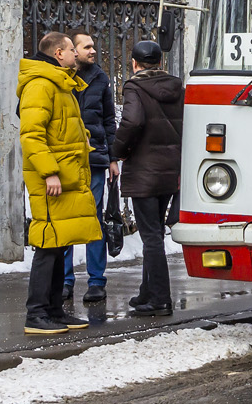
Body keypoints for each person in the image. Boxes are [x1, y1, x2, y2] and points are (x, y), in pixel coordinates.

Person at [18, 31, 101, 335]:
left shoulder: (60, 83)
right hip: (52, 178)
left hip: (66, 174)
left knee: (60, 242)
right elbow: (32, 135)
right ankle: (36, 314)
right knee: (48, 243)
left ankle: (54, 310)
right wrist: (49, 171)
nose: (75, 54)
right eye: (70, 49)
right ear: (58, 54)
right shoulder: (41, 85)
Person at [111, 40, 183, 318]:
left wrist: (118, 152)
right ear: (160, 62)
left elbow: (132, 122)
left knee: (151, 236)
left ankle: (161, 299)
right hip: (169, 171)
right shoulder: (177, 87)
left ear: (134, 63)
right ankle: (146, 292)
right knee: (154, 233)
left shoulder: (135, 87)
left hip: (144, 171)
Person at [62, 31, 119, 304]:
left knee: (93, 219)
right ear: (72, 51)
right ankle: (64, 280)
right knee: (66, 219)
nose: (92, 51)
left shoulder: (100, 78)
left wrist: (113, 158)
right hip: (66, 159)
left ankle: (96, 281)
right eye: (87, 47)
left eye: (94, 46)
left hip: (95, 160)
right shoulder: (58, 77)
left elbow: (109, 120)